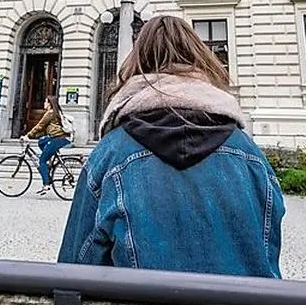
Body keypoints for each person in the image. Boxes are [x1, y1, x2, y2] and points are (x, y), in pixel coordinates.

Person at [58, 16, 284, 277]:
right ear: (202, 60)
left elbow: (75, 267)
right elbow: (267, 257)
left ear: (137, 63)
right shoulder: (249, 155)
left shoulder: (111, 154)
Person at [23, 93, 73, 196]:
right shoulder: (55, 112)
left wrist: (28, 136)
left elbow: (40, 126)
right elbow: (45, 128)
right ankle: (49, 159)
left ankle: (46, 184)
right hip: (58, 137)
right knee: (41, 141)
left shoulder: (50, 113)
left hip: (58, 138)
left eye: (46, 102)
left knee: (42, 160)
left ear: (50, 104)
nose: (44, 103)